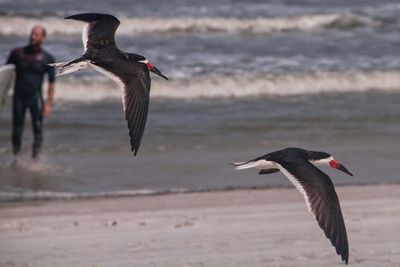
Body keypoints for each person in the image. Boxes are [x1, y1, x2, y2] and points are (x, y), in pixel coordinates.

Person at [5, 25, 56, 163]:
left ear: (43, 37)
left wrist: (48, 104)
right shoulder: (17, 53)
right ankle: (16, 158)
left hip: (36, 99)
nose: (33, 36)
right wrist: (2, 95)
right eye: (32, 33)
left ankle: (35, 159)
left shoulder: (48, 58)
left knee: (38, 129)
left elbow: (52, 83)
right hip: (18, 98)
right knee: (16, 130)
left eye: (37, 34)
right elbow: (6, 74)